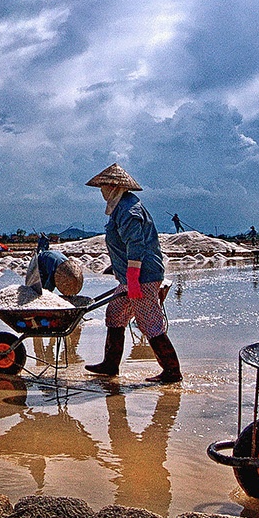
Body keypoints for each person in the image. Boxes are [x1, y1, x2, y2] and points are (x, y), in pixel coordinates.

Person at [83, 164, 180, 383]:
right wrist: (119, 270)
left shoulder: (128, 210)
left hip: (142, 275)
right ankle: (110, 365)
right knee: (115, 313)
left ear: (114, 186)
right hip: (131, 275)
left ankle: (172, 371)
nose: (101, 191)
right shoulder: (120, 207)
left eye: (104, 186)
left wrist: (134, 277)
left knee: (149, 320)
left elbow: (135, 244)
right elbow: (122, 245)